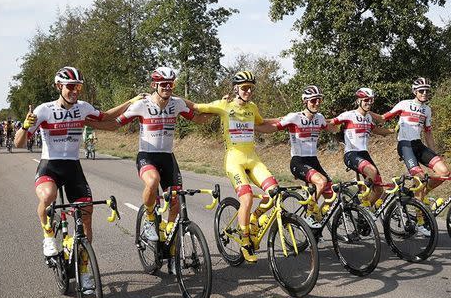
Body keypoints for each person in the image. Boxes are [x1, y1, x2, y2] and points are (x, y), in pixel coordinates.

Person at [14, 66, 141, 291]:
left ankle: (84, 271)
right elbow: (19, 143)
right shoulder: (44, 110)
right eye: (71, 87)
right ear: (58, 87)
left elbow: (107, 117)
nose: (75, 91)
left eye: (78, 87)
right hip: (50, 166)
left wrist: (130, 102)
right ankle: (49, 238)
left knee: (86, 214)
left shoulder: (83, 108)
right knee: (49, 196)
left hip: (73, 168)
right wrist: (25, 125)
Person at [98, 67, 209, 273]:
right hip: (147, 156)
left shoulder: (177, 104)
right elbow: (115, 124)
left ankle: (173, 252)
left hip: (168, 157)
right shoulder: (142, 105)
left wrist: (220, 111)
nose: (167, 87)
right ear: (154, 85)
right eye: (163, 84)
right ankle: (150, 218)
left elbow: (198, 118)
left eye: (171, 84)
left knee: (176, 200)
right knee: (152, 181)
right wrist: (88, 122)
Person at [192, 70, 279, 263]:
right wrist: (170, 98)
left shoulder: (253, 107)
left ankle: (255, 220)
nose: (248, 91)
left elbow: (262, 124)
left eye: (251, 88)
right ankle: (245, 240)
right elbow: (196, 107)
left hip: (253, 158)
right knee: (247, 197)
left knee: (275, 193)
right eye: (245, 88)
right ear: (236, 89)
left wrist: (284, 123)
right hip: (234, 160)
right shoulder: (224, 105)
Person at [381, 77, 450, 232]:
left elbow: (428, 133)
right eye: (421, 91)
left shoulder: (427, 110)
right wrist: (364, 115)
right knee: (419, 179)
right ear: (414, 91)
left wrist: (434, 152)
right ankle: (419, 222)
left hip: (418, 145)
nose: (425, 93)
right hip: (405, 145)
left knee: (444, 172)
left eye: (427, 90)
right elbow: (383, 118)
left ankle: (417, 194)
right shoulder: (404, 104)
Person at [272, 86, 336, 220]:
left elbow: (331, 126)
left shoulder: (320, 118)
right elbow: (272, 125)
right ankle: (309, 215)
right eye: (313, 101)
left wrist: (344, 122)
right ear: (305, 101)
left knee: (332, 195)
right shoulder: (294, 117)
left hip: (313, 160)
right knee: (321, 182)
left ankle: (319, 218)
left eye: (319, 100)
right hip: (298, 161)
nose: (317, 103)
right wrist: (252, 124)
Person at [329, 88, 394, 207]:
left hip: (364, 154)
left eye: (371, 100)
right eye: (366, 100)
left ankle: (364, 211)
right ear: (359, 101)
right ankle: (360, 201)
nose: (369, 103)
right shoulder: (349, 115)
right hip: (351, 154)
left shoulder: (368, 117)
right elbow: (331, 122)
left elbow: (377, 130)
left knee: (379, 190)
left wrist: (393, 130)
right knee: (372, 172)